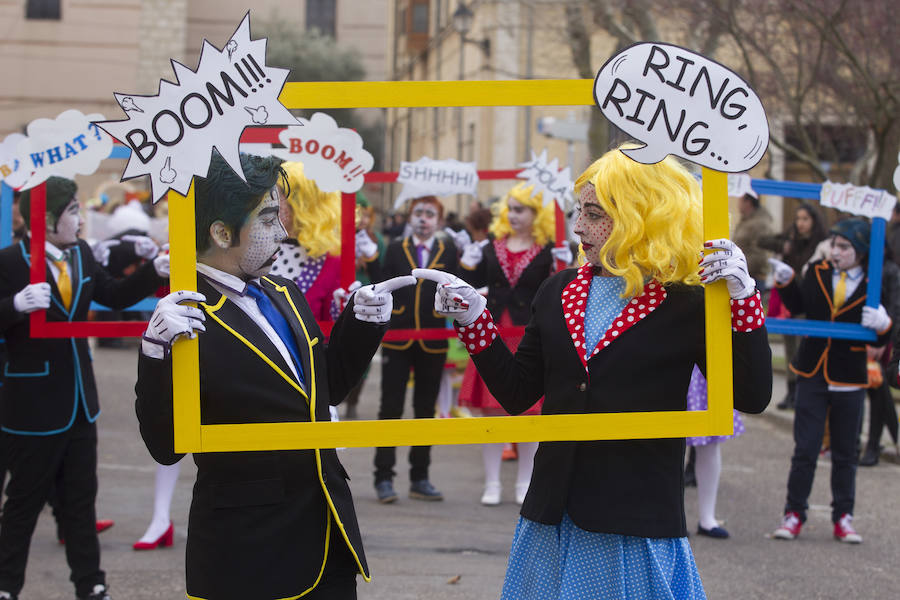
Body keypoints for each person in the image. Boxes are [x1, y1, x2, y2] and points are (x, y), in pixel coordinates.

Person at [416, 146, 772, 598]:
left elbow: (752, 394)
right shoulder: (557, 289)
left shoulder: (688, 301)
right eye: (578, 210)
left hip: (635, 519)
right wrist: (474, 322)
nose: (579, 225)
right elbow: (518, 392)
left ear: (643, 214)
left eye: (594, 213)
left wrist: (743, 300)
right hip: (553, 513)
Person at [135, 152, 410, 599]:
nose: (283, 231)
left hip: (328, 539)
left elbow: (326, 391)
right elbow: (164, 447)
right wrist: (154, 352)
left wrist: (362, 322)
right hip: (248, 555)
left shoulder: (284, 292)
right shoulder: (185, 317)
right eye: (267, 219)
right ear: (221, 233)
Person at [0, 176, 168, 600]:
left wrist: (154, 272)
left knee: (80, 501)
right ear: (49, 218)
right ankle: (6, 587)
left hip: (80, 403)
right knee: (22, 503)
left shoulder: (82, 254)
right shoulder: (8, 261)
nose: (80, 218)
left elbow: (112, 296)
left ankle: (91, 584)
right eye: (73, 210)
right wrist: (15, 306)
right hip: (31, 404)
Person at [769, 218, 892, 544]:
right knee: (805, 449)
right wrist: (786, 282)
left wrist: (883, 324)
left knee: (844, 453)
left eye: (844, 247)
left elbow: (887, 328)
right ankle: (793, 513)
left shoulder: (874, 280)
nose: (835, 252)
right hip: (812, 371)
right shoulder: (818, 271)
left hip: (850, 374)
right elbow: (799, 307)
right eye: (834, 244)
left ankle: (844, 517)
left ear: (861, 252)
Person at [456, 182, 565, 506]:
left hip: (530, 335)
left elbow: (558, 291)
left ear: (537, 214)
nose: (513, 215)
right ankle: (492, 483)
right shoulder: (490, 246)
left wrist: (564, 265)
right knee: (492, 413)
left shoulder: (549, 250)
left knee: (530, 414)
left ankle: (524, 481)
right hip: (493, 333)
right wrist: (466, 265)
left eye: (521, 210)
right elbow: (467, 288)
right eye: (511, 209)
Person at [373, 195, 459, 504]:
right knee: (390, 408)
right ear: (411, 218)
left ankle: (419, 477)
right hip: (399, 336)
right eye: (419, 213)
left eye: (430, 214)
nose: (423, 218)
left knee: (425, 409)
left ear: (439, 220)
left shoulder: (449, 250)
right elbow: (379, 284)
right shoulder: (397, 248)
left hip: (433, 338)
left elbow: (463, 284)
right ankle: (383, 477)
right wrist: (370, 260)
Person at [761, 203, 828, 409]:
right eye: (798, 219)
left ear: (814, 221)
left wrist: (795, 278)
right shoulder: (792, 241)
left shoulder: (821, 245)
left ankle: (801, 390)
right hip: (787, 300)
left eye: (805, 219)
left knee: (803, 347)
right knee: (789, 345)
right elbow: (763, 241)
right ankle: (791, 391)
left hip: (807, 303)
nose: (800, 223)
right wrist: (784, 245)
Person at [685, 367, 745, 539]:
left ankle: (707, 518)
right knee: (667, 442)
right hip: (676, 360)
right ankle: (670, 518)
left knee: (710, 442)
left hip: (708, 364)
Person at [731, 176, 773, 291]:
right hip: (744, 274)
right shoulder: (747, 220)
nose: (738, 203)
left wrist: (737, 267)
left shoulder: (760, 224)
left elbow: (759, 255)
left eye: (740, 199)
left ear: (748, 202)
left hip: (753, 278)